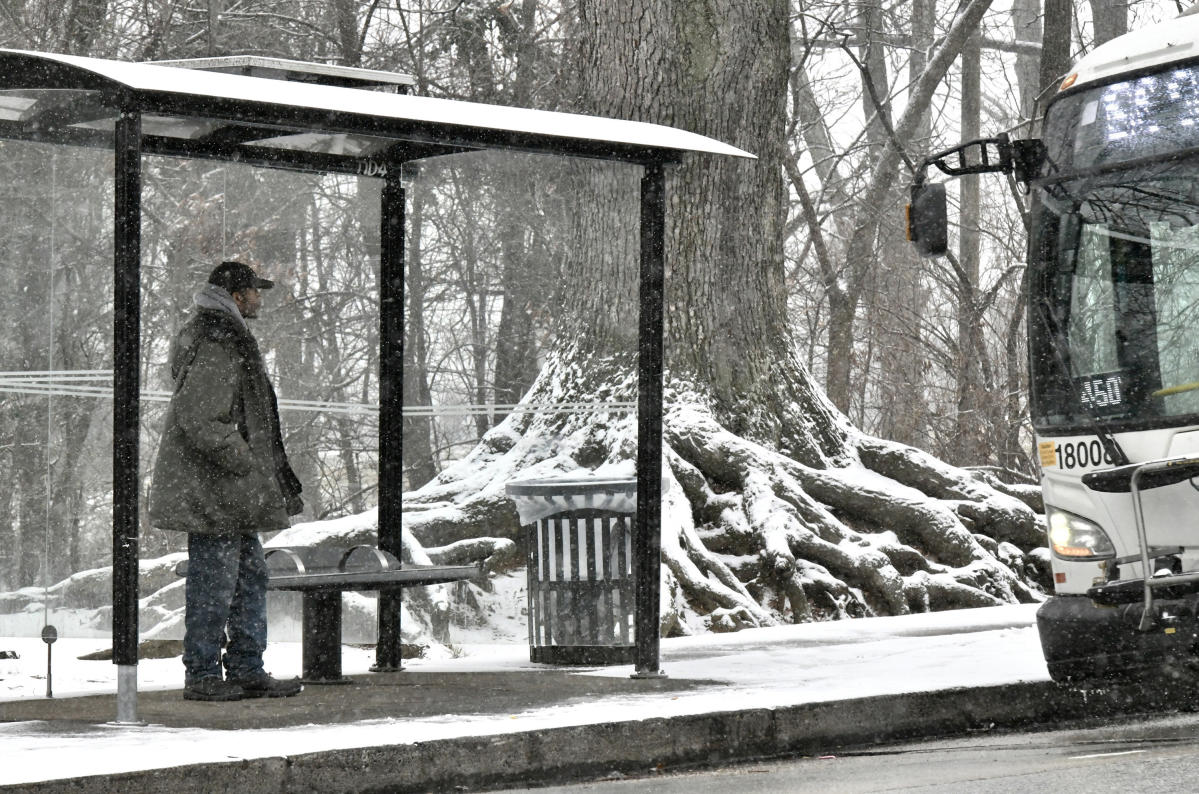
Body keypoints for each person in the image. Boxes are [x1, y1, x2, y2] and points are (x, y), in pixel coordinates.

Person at [149, 260, 305, 702]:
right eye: (256, 291)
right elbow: (201, 419)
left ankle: (245, 668)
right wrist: (247, 462)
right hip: (216, 491)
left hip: (230, 492)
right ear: (237, 296)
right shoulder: (218, 341)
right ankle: (202, 675)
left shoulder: (225, 335)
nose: (261, 298)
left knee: (248, 579)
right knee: (215, 586)